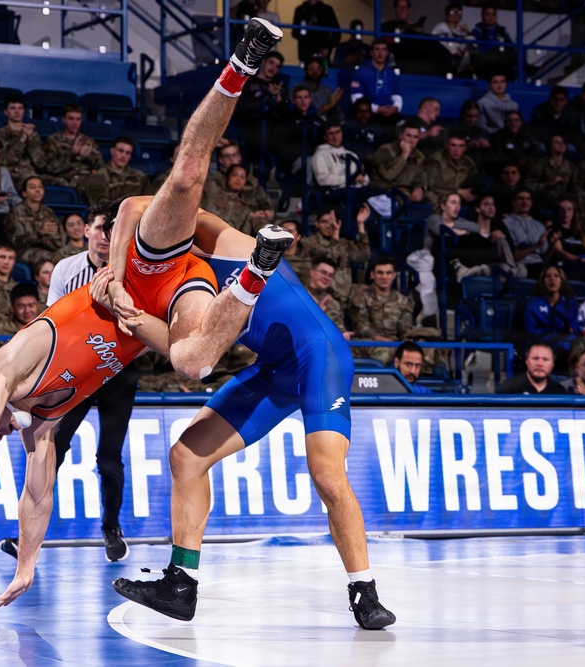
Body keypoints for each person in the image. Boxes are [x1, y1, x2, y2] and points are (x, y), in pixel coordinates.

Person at [0, 19, 295, 608]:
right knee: (192, 364)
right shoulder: (42, 421)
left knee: (186, 173)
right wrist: (26, 565)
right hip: (160, 314)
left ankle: (243, 59)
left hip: (146, 273)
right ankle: (257, 270)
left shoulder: (3, 370)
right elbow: (37, 498)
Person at [112, 201, 396, 630]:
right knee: (186, 457)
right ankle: (181, 583)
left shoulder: (225, 241)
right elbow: (179, 351)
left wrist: (115, 275)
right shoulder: (179, 290)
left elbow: (134, 205)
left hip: (319, 358)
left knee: (326, 474)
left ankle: (365, 592)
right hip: (273, 371)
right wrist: (124, 311)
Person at [47, 209, 136, 562]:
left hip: (118, 372)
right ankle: (28, 528)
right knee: (54, 447)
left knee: (109, 459)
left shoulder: (131, 270)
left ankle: (111, 527)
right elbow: (54, 323)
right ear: (86, 229)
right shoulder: (66, 269)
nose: (105, 236)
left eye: (113, 231)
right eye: (100, 228)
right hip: (79, 372)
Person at [349, 255, 414, 364]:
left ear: (394, 275)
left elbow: (405, 331)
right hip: (368, 343)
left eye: (388, 273)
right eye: (380, 273)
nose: (384, 277)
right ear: (372, 274)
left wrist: (406, 342)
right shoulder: (360, 296)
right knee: (383, 354)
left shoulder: (404, 301)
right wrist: (385, 341)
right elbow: (362, 328)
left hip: (395, 345)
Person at [41, 103, 104, 192]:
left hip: (86, 180)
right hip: (64, 180)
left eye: (78, 119)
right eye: (71, 119)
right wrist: (72, 155)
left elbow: (100, 166)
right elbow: (49, 168)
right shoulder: (53, 140)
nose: (75, 123)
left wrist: (88, 157)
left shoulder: (88, 141)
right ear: (64, 120)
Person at [0, 93, 45, 192]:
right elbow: (3, 161)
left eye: (20, 108)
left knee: (61, 182)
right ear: (5, 112)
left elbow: (40, 163)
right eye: (12, 108)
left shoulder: (32, 134)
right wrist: (22, 139)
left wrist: (31, 139)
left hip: (33, 175)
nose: (17, 111)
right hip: (11, 176)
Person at [524, 264, 579, 358]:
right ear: (543, 281)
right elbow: (530, 330)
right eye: (548, 276)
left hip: (564, 349)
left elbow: (573, 328)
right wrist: (553, 336)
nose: (552, 278)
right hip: (540, 347)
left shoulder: (570, 303)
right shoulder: (533, 303)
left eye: (556, 276)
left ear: (561, 280)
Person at [5, 176, 61, 265]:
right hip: (22, 252)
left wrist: (51, 239)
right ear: (24, 193)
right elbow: (16, 241)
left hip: (47, 248)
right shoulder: (16, 212)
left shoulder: (48, 212)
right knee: (51, 257)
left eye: (40, 187)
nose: (37, 190)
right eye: (32, 187)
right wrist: (39, 233)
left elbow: (58, 241)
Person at [368, 119, 425, 200]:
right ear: (401, 136)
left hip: (406, 193)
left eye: (415, 137)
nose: (411, 140)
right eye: (408, 135)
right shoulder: (385, 150)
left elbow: (421, 177)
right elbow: (388, 177)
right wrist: (404, 155)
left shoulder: (419, 156)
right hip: (383, 192)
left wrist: (419, 188)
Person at [85, 137, 154, 203]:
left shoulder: (139, 176)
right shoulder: (99, 176)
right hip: (108, 214)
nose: (124, 156)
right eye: (120, 151)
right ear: (112, 151)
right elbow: (99, 205)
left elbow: (149, 200)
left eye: (128, 153)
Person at [349, 39, 402, 122]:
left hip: (388, 114)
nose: (380, 53)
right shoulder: (361, 72)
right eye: (377, 49)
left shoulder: (391, 73)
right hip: (369, 114)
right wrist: (376, 109)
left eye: (383, 49)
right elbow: (355, 98)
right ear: (371, 53)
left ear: (387, 53)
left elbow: (396, 94)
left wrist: (396, 107)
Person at [503, 188, 550, 278]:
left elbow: (544, 251)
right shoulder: (506, 222)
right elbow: (513, 255)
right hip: (519, 265)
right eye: (521, 199)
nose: (524, 202)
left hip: (539, 264)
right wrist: (536, 246)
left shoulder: (539, 225)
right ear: (513, 201)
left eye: (528, 199)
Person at [495, 341, 567, 394]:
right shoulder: (509, 388)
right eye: (535, 358)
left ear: (552, 364)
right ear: (526, 361)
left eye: (545, 359)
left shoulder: (559, 391)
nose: (540, 364)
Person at [304, 256, 348, 334]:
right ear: (312, 272)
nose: (326, 277)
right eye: (323, 272)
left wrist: (343, 334)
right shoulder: (297, 295)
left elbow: (339, 329)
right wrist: (317, 312)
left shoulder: (333, 304)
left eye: (330, 275)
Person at [431, 3, 474, 76]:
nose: (456, 14)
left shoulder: (462, 31)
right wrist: (454, 51)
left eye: (459, 12)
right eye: (452, 12)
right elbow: (438, 45)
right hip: (444, 62)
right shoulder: (441, 27)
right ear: (446, 15)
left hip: (460, 65)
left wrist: (468, 33)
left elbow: (473, 46)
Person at [476, 72, 518, 137]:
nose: (499, 85)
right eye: (495, 82)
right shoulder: (482, 103)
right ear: (489, 85)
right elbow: (482, 127)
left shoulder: (514, 105)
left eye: (502, 82)